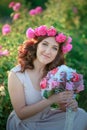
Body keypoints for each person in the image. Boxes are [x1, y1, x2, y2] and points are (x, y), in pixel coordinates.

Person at [6, 25, 87, 130]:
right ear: (36, 46)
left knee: (81, 115)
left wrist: (70, 104)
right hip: (25, 123)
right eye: (45, 44)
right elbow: (21, 113)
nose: (48, 51)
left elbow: (62, 105)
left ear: (57, 53)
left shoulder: (54, 73)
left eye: (54, 48)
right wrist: (50, 100)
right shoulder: (17, 74)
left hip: (46, 117)